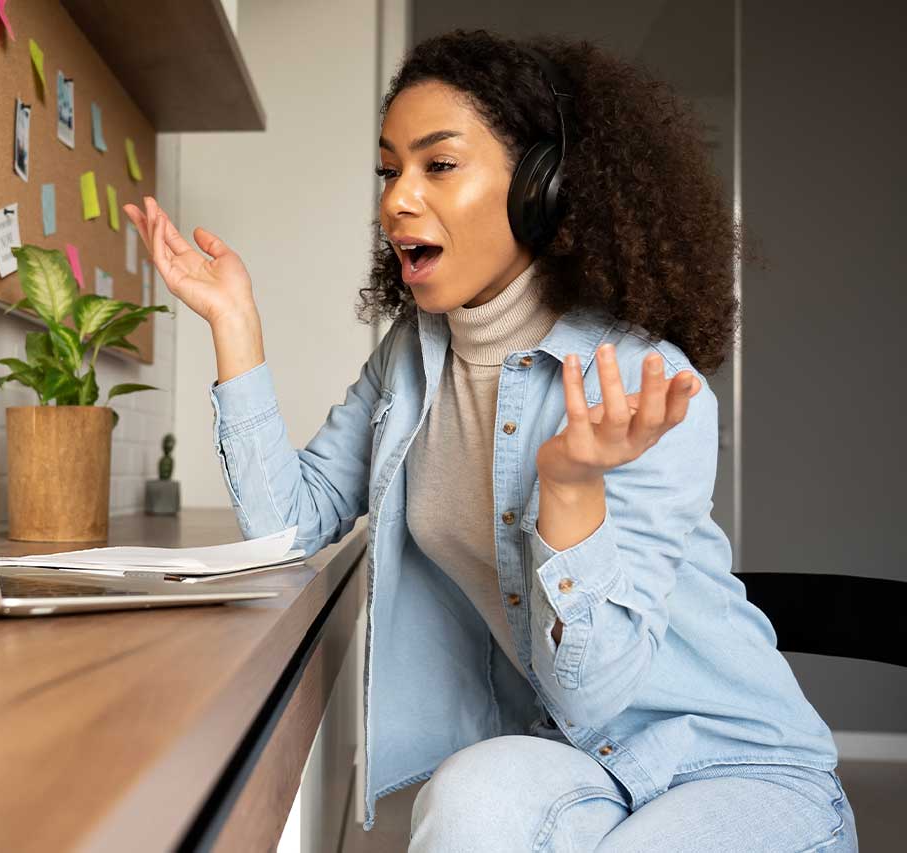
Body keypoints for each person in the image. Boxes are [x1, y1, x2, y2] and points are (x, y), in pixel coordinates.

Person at [123, 27, 856, 853]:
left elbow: (597, 685)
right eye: (388, 169)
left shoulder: (639, 379)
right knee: (470, 794)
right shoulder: (411, 358)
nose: (397, 198)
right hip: (575, 761)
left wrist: (571, 491)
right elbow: (287, 525)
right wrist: (235, 326)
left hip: (735, 767)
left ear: (539, 189)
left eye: (438, 165)